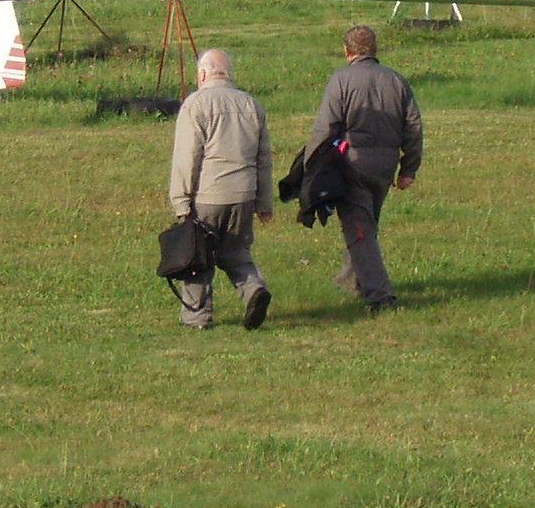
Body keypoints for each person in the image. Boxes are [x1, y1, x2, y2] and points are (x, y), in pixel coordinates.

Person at [302, 24, 422, 314]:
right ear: (375, 50)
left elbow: (326, 126)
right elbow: (413, 126)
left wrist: (309, 166)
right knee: (366, 226)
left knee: (360, 231)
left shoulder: (341, 80)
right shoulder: (396, 80)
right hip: (385, 166)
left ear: (347, 50)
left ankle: (381, 298)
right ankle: (353, 281)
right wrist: (409, 168)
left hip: (352, 165)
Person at [167, 47, 274, 330]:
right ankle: (254, 289)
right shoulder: (252, 104)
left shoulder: (195, 105)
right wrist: (264, 202)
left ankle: (197, 317)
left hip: (208, 195)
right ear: (229, 73)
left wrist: (181, 201)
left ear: (202, 74)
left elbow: (187, 157)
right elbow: (264, 158)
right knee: (236, 252)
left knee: (197, 255)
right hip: (244, 195)